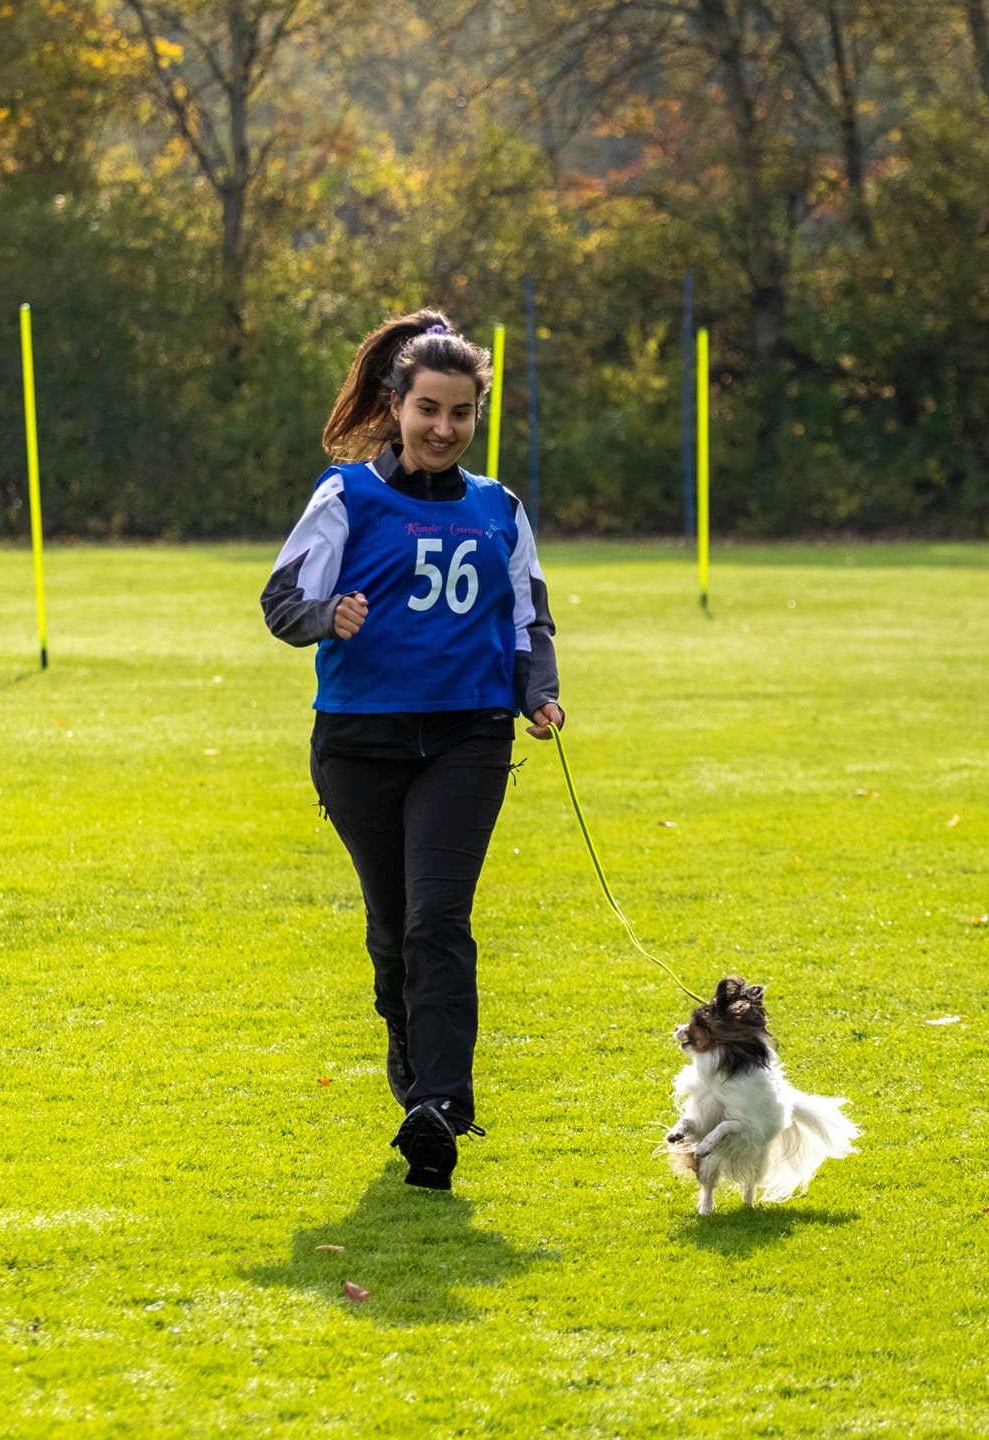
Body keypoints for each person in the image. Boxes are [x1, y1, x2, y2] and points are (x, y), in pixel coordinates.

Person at [261, 308, 562, 1191]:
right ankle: (410, 1060)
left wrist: (537, 692)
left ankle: (440, 1107)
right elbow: (282, 602)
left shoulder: (498, 507)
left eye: (461, 413)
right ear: (396, 405)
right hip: (360, 745)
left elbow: (528, 617)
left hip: (467, 736)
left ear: (477, 415)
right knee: (395, 932)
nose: (443, 427)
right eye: (428, 408)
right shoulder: (347, 497)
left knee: (438, 919)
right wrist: (329, 615)